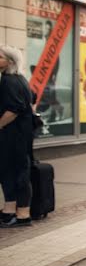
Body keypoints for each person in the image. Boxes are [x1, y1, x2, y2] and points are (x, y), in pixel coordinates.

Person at [0, 46, 35, 227]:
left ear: (10, 62)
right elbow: (32, 99)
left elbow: (13, 109)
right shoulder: (21, 79)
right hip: (22, 135)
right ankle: (13, 212)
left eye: (0, 57)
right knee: (17, 172)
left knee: (10, 172)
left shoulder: (8, 81)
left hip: (12, 136)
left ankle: (17, 215)